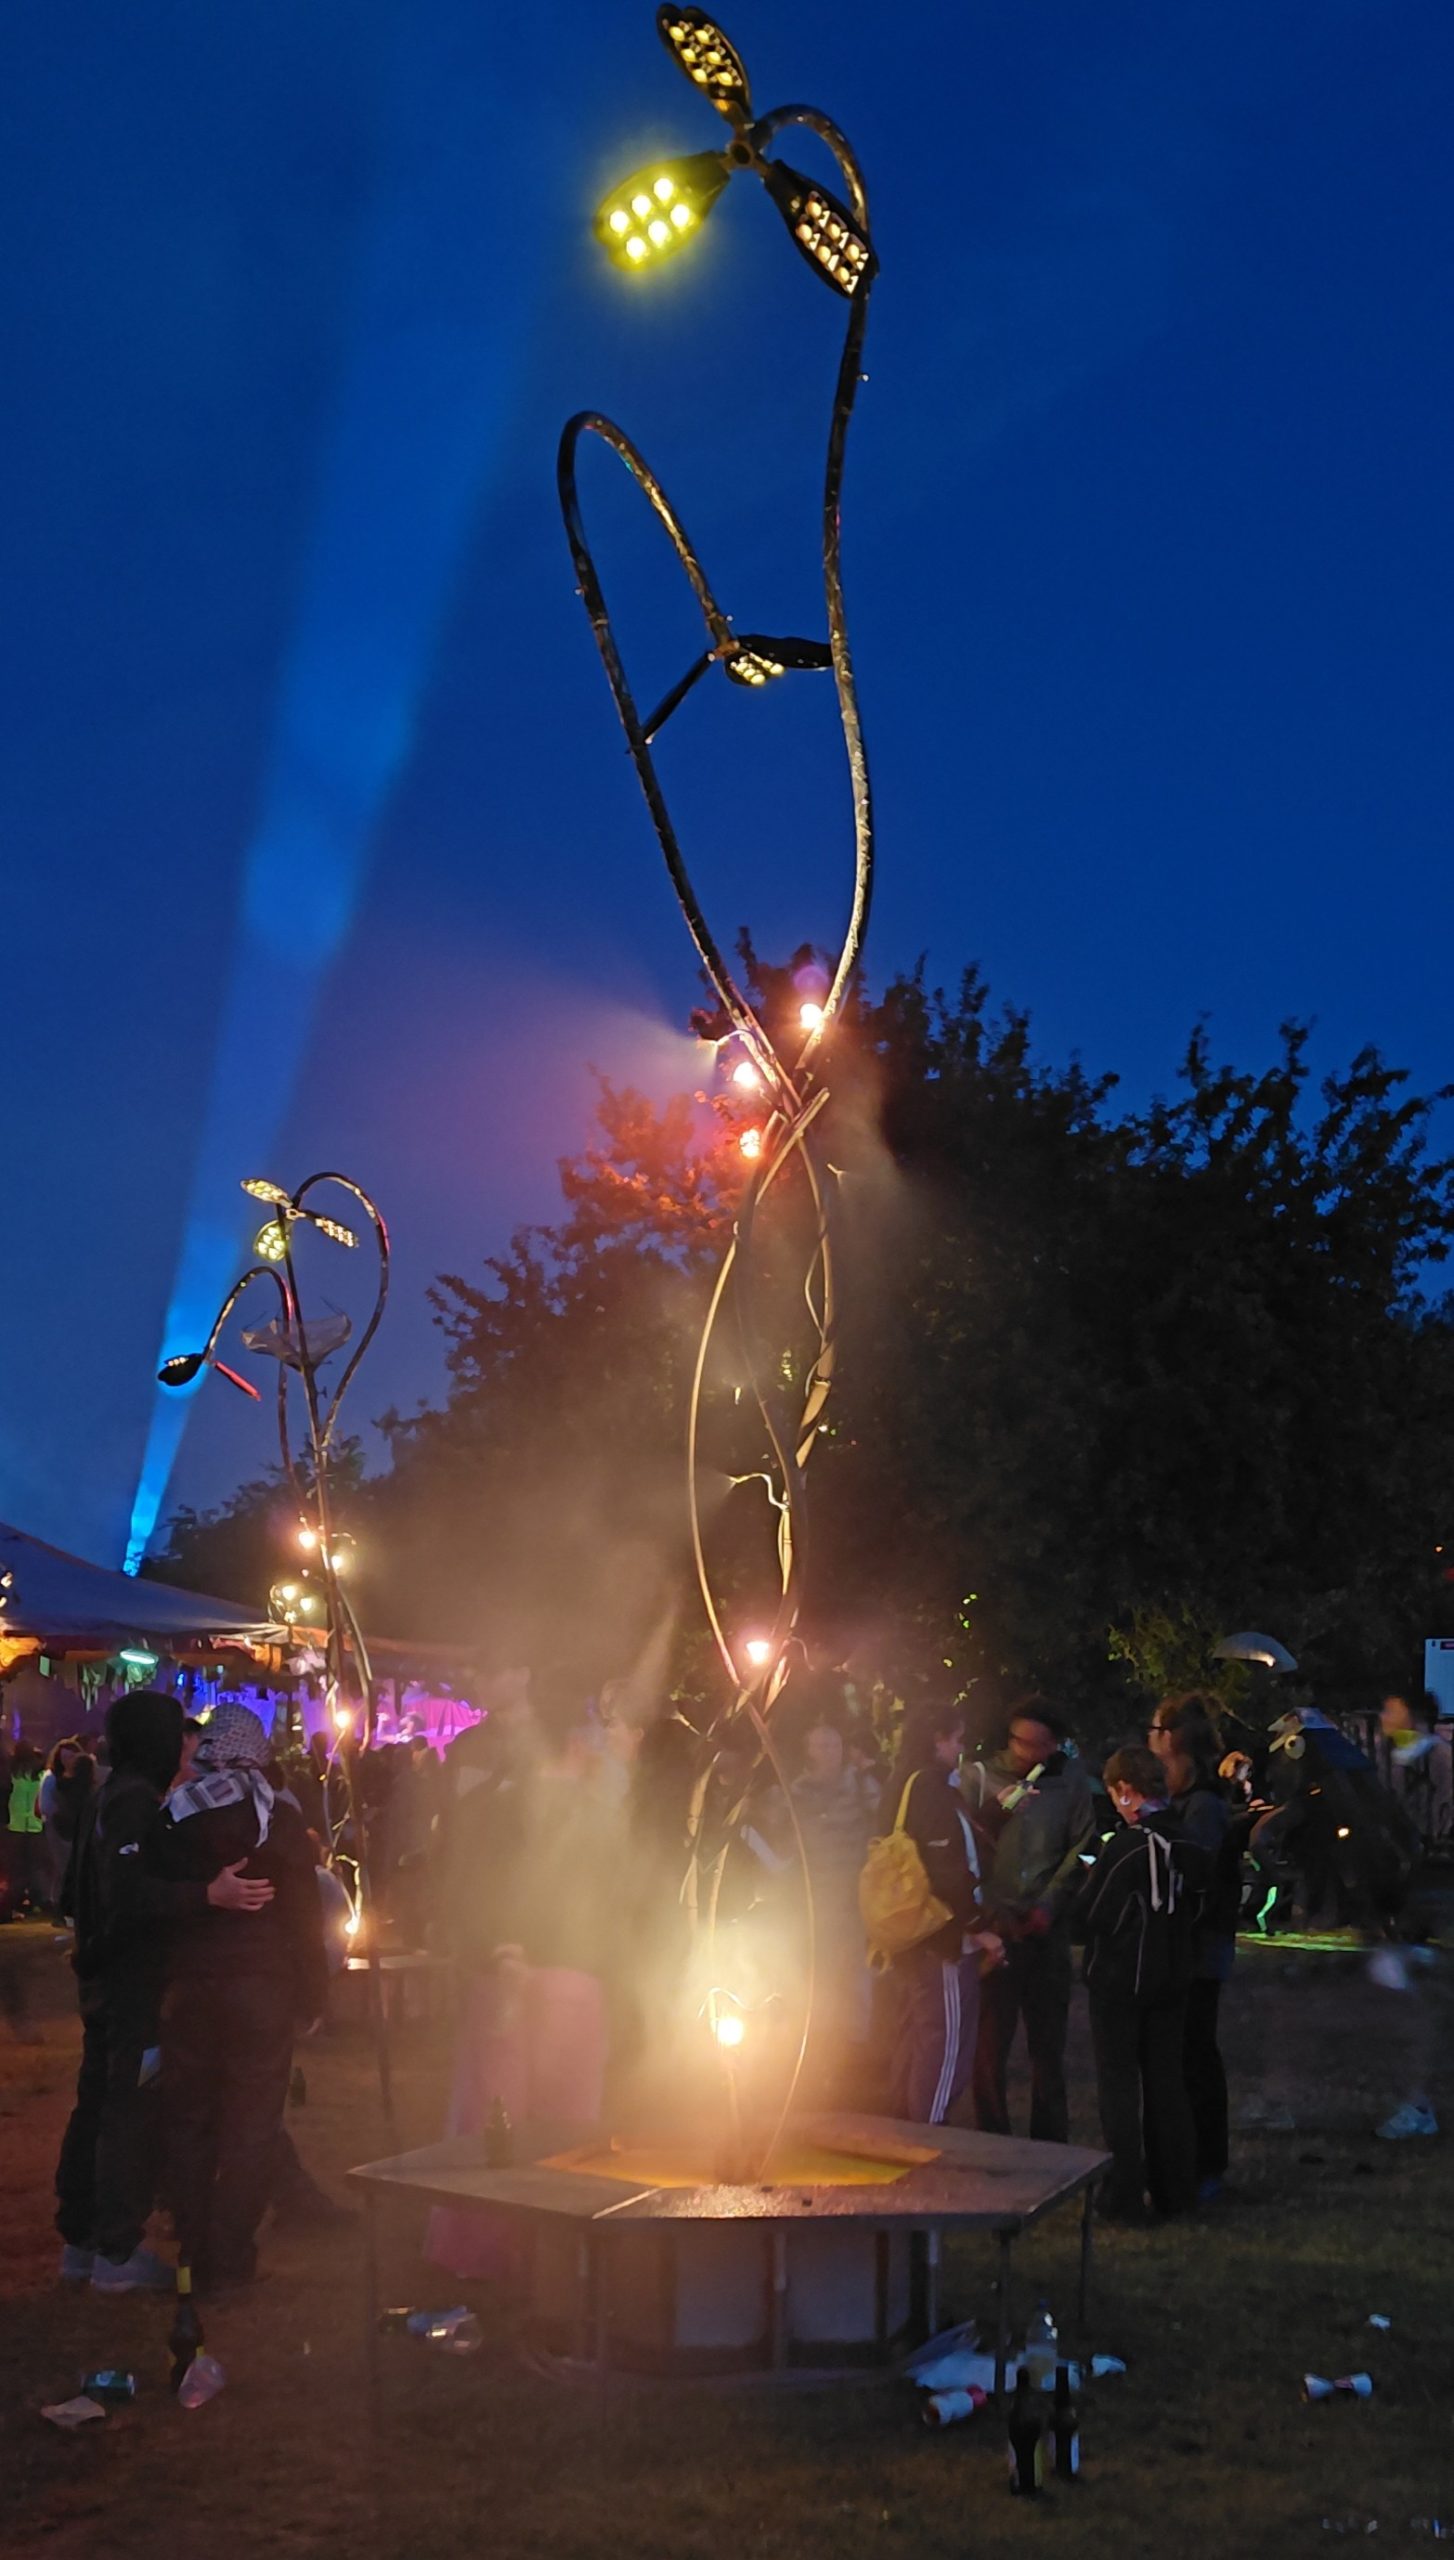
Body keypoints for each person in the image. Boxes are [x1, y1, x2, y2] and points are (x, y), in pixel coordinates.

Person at [54, 1692, 274, 2291]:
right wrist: (205, 1895)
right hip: (132, 1985)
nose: (191, 1745)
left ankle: (82, 2241)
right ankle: (116, 2253)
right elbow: (128, 1897)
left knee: (98, 2103)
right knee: (130, 2111)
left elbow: (75, 1894)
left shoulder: (110, 1795)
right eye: (181, 1733)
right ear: (157, 1739)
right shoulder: (133, 1803)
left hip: (106, 1980)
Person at [430, 1697, 618, 2278]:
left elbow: (462, 1883)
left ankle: (507, 2248)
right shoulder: (527, 1808)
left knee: (508, 2119)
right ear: (576, 1745)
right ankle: (533, 2249)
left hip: (534, 1973)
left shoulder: (510, 1804)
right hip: (546, 1976)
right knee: (535, 2120)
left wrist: (492, 1948)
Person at [150, 1702, 329, 2291]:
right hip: (261, 1987)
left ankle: (194, 2247)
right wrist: (313, 1995)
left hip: (190, 1988)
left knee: (190, 2120)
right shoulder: (276, 1818)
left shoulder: (176, 1814)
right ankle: (228, 2258)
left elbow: (154, 1897)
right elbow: (305, 1915)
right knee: (252, 2126)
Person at [1074, 1745, 1205, 2222]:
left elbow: (1091, 1914)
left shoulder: (1127, 1847)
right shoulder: (1189, 1843)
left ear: (1126, 1790)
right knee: (1167, 2085)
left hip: (1120, 1982)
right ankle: (1176, 2192)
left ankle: (1124, 2194)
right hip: (1173, 1979)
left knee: (1119, 2088)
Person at [967, 1702, 1097, 2145]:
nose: (1026, 1752)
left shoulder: (1070, 1782)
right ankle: (992, 2138)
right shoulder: (981, 1777)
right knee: (990, 2046)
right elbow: (968, 1846)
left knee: (1048, 2048)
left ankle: (1050, 2142)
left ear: (1054, 1745)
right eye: (1019, 1741)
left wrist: (1049, 1904)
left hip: (1046, 1931)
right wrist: (992, 1912)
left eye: (1038, 1745)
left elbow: (1082, 1847)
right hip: (998, 1929)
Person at [884, 1702, 1003, 2125]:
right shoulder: (929, 1788)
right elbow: (948, 1866)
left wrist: (994, 1813)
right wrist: (976, 1926)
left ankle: (903, 2130)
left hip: (915, 1934)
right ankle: (930, 2137)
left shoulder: (906, 1784)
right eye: (958, 1739)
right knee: (946, 2042)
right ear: (937, 1739)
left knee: (919, 2036)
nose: (961, 1748)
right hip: (942, 1937)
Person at [1148, 1692, 1241, 2199]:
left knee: (1195, 2051)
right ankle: (1188, 2159)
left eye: (1154, 1729)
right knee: (1187, 2051)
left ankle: (1207, 2164)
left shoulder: (1201, 1805)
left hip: (1198, 1946)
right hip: (1189, 1943)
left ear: (1170, 1738)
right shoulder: (1188, 1798)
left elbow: (1194, 1876)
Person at [38, 1738, 95, 1918]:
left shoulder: (77, 1781)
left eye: (71, 1757)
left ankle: (58, 1904)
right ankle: (60, 1906)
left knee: (63, 1868)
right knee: (63, 1867)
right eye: (65, 1757)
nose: (68, 1760)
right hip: (58, 1827)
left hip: (70, 1828)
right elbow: (46, 1806)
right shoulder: (52, 1779)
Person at [5, 1744, 47, 1916]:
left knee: (16, 1866)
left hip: (15, 1824)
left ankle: (15, 1900)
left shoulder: (12, 1774)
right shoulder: (41, 1775)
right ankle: (37, 1901)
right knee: (36, 1866)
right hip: (36, 1825)